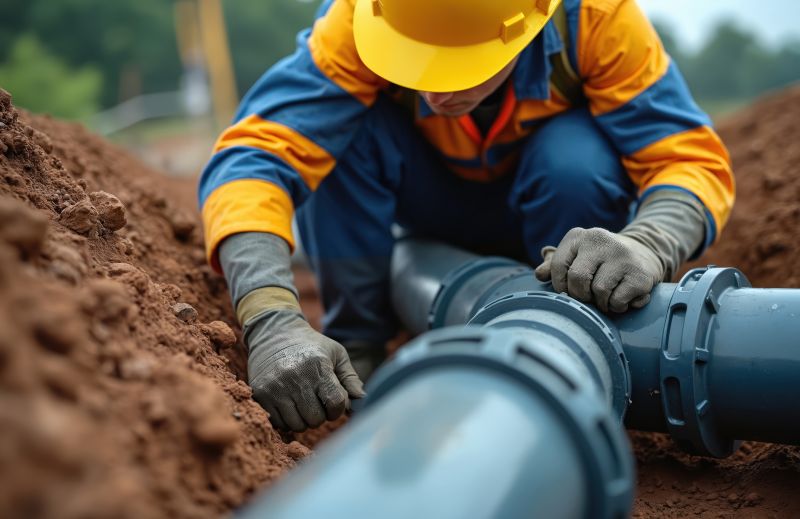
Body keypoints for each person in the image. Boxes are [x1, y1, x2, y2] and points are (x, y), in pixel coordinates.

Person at [198, 0, 734, 432]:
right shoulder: (359, 20)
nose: (435, 90)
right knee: (343, 136)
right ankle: (359, 353)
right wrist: (271, 318)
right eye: (416, 58)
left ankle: (570, 340)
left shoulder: (593, 20)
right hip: (431, 209)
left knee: (576, 159)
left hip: (560, 231)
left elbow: (686, 159)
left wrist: (649, 240)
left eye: (463, 65)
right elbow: (257, 158)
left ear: (529, 24)